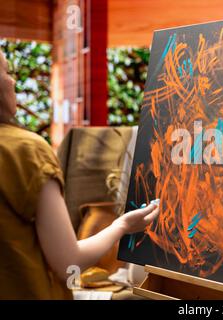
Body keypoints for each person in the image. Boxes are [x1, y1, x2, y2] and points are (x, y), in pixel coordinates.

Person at [0, 50, 159, 299]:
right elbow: (68, 263)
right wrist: (123, 225)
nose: (13, 81)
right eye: (7, 72)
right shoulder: (26, 152)